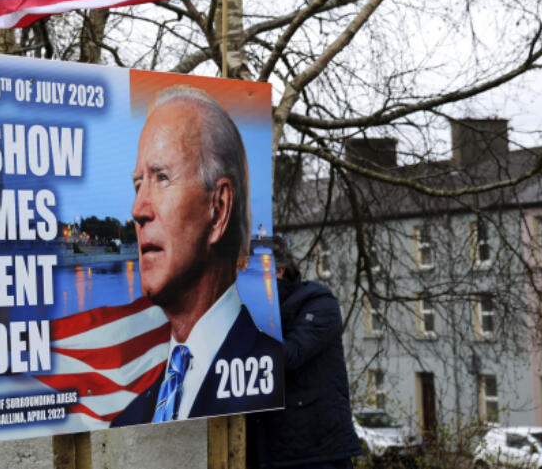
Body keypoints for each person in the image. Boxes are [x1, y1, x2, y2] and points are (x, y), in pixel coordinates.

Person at [111, 85, 281, 425]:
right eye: (137, 185)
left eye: (161, 177)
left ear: (218, 208)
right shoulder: (128, 421)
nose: (137, 209)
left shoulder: (284, 380)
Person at [248, 235, 362, 469]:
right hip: (270, 452)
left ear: (278, 271)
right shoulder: (253, 310)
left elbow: (288, 356)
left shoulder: (318, 302)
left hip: (315, 453)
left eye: (251, 274)